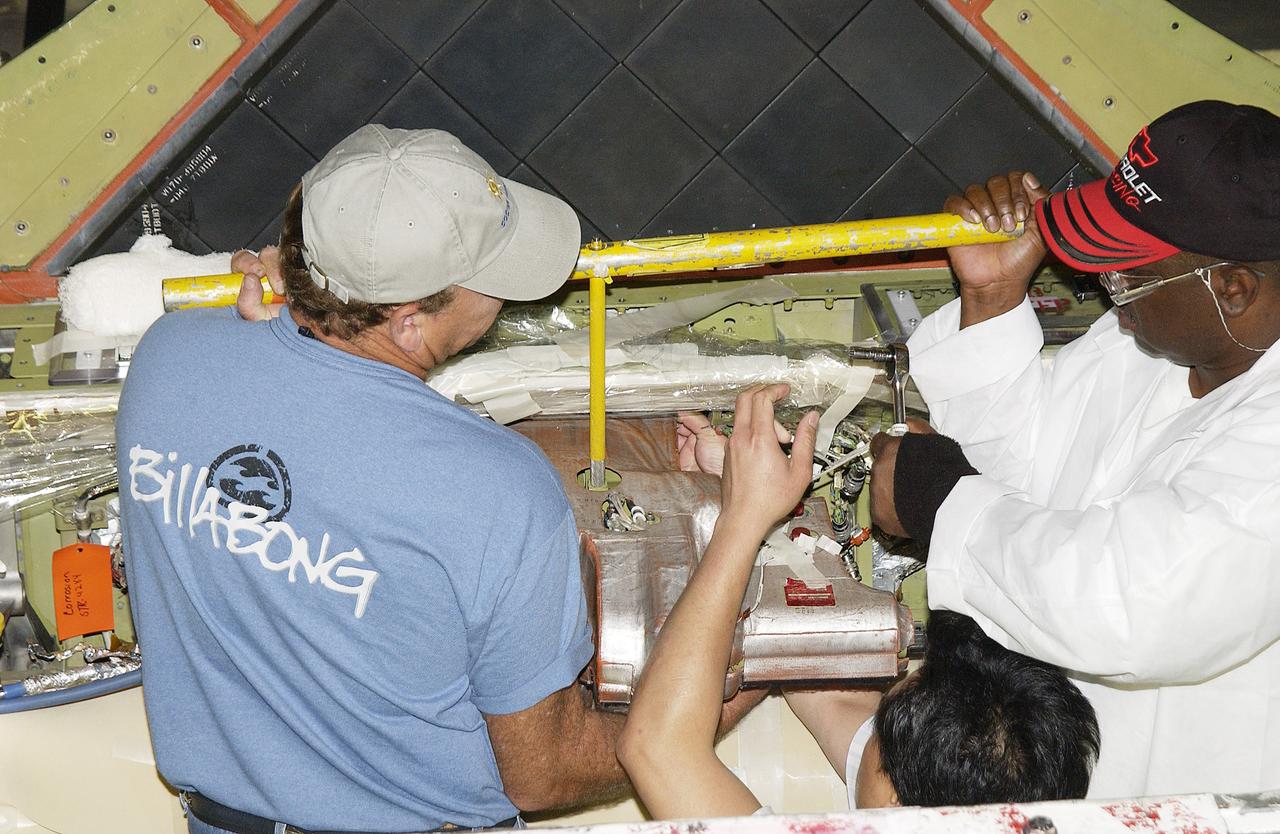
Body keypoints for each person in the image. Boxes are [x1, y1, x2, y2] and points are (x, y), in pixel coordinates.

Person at [118, 125, 630, 833]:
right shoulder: (497, 490)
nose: (503, 298)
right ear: (411, 323)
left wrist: (284, 308)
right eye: (491, 279)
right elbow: (544, 776)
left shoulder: (168, 360)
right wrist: (720, 701)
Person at [868, 99, 1280, 797]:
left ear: (1233, 290)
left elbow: (1135, 605)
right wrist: (994, 299)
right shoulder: (1142, 347)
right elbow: (1021, 487)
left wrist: (937, 502)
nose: (1108, 295)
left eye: (1127, 275)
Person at [621, 399, 1099, 816]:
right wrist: (741, 501)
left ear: (895, 802)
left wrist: (740, 520)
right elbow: (833, 695)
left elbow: (657, 746)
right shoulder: (980, 800)